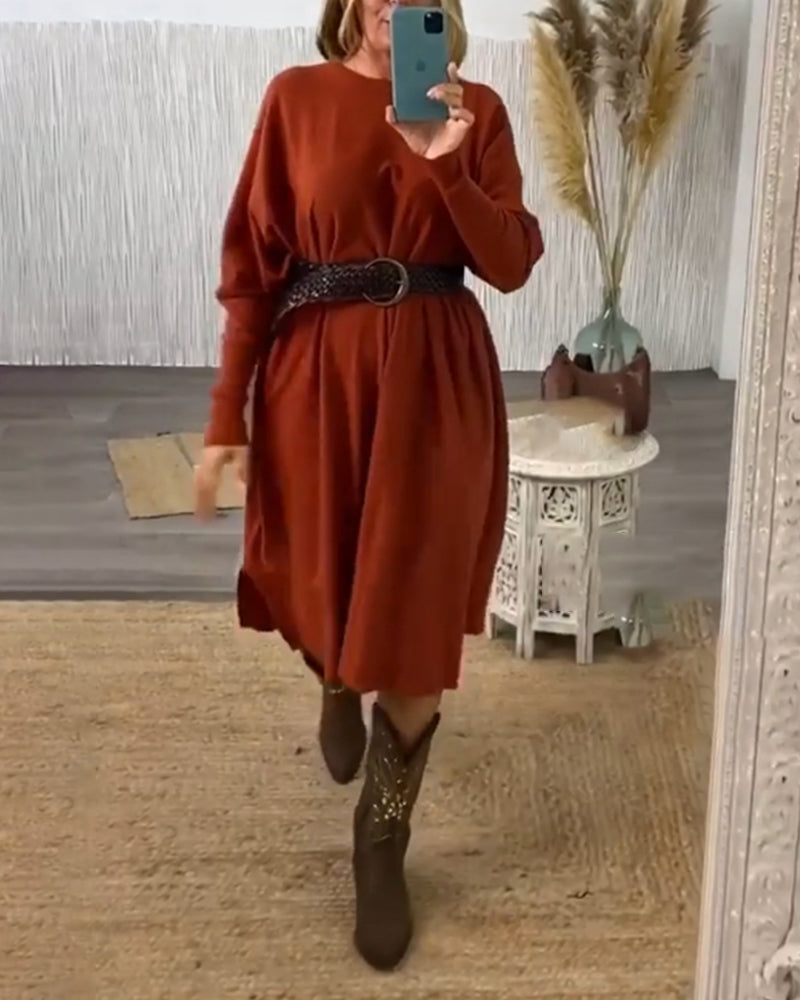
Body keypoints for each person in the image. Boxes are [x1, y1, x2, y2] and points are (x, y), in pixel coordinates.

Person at [194, 0, 543, 971]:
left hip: (436, 385)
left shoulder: (476, 110)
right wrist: (225, 414)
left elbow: (511, 262)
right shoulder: (294, 99)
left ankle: (380, 841)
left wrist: (443, 163)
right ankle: (335, 674)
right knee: (323, 581)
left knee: (416, 610)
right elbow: (252, 267)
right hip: (317, 382)